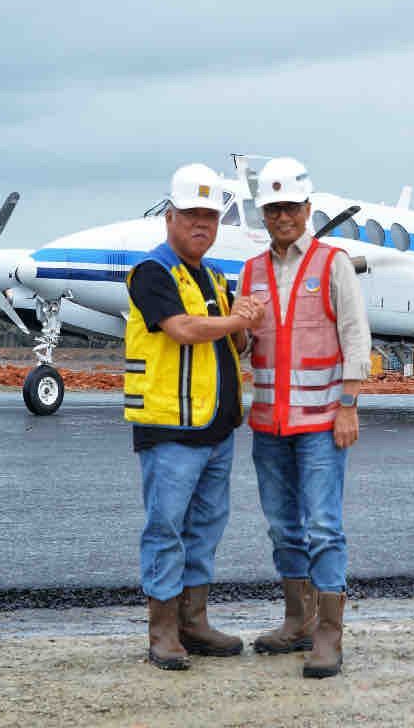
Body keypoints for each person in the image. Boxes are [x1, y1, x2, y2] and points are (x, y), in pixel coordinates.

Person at [124, 163, 264, 671]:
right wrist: (235, 318)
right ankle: (162, 631)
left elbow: (236, 343)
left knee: (205, 527)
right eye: (192, 216)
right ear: (170, 217)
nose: (202, 225)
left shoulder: (212, 276)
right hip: (170, 430)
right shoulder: (152, 273)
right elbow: (181, 328)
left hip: (216, 429)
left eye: (210, 216)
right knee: (167, 527)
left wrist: (245, 324)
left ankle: (195, 622)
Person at [240, 157, 372, 679]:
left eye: (290, 207)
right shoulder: (250, 272)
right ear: (263, 214)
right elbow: (245, 342)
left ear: (307, 209)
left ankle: (328, 637)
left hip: (321, 421)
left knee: (323, 527)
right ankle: (297, 620)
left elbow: (356, 336)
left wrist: (348, 406)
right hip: (269, 423)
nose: (281, 217)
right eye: (272, 209)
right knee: (281, 528)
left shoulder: (331, 262)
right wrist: (234, 328)